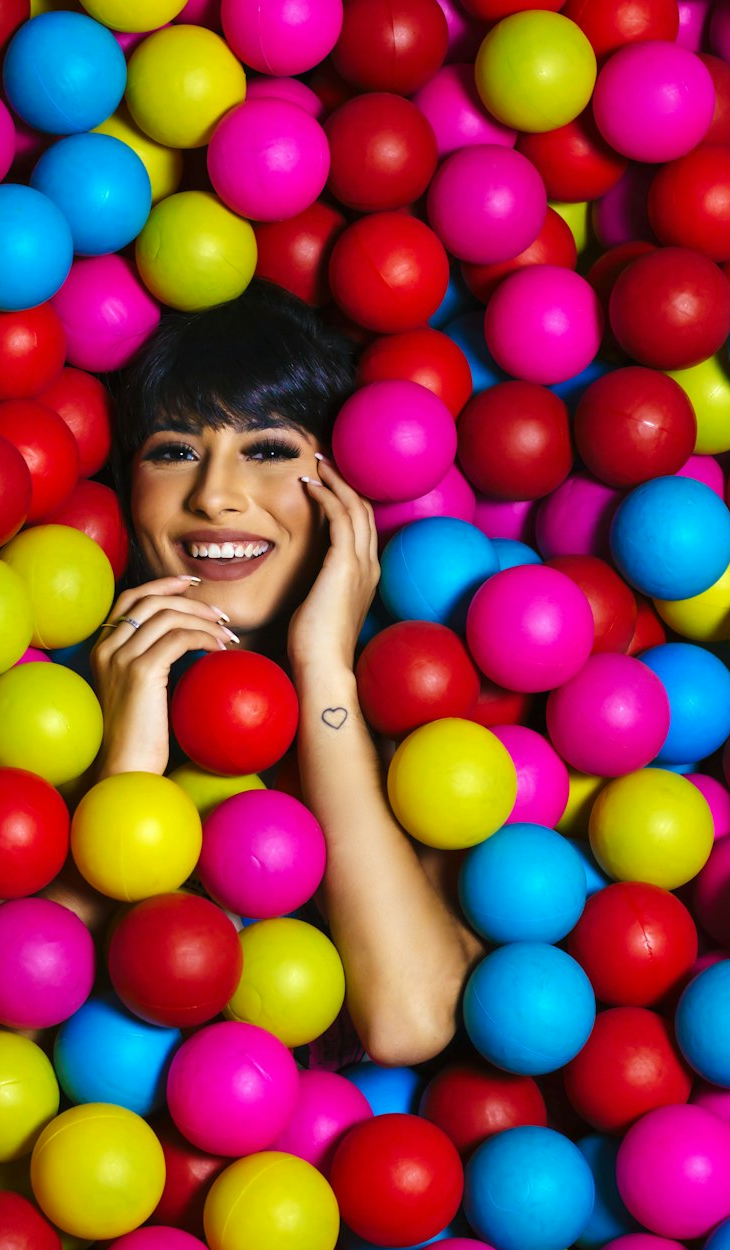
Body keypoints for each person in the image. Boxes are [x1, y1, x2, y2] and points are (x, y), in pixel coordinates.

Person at [89, 279, 481, 1068]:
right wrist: (125, 764)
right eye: (174, 452)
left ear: (345, 493)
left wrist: (323, 670)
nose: (216, 496)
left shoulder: (420, 723)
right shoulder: (55, 702)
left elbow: (408, 1018)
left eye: (267, 450)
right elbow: (39, 1021)